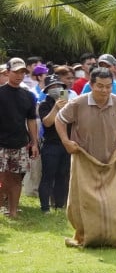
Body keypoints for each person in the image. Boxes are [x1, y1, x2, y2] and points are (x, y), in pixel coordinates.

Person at [55, 67, 116, 248]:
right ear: (91, 85)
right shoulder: (78, 103)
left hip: (111, 159)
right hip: (84, 158)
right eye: (100, 86)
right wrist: (66, 141)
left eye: (108, 86)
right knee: (83, 202)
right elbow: (60, 119)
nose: (104, 90)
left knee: (114, 201)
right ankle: (83, 237)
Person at [0, 58, 39, 219]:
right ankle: (3, 206)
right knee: (2, 177)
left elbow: (31, 120)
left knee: (16, 178)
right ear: (7, 72)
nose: (19, 75)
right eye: (16, 72)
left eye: (22, 72)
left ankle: (13, 211)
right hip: (1, 143)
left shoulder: (29, 96)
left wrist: (34, 142)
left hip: (20, 142)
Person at [37, 75, 71, 213]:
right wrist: (56, 107)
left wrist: (66, 106)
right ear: (47, 90)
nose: (56, 89)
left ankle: (59, 205)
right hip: (51, 145)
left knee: (62, 176)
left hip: (65, 144)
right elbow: (47, 122)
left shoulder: (69, 104)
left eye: (58, 86)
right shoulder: (44, 105)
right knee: (47, 176)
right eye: (52, 87)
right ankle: (45, 207)